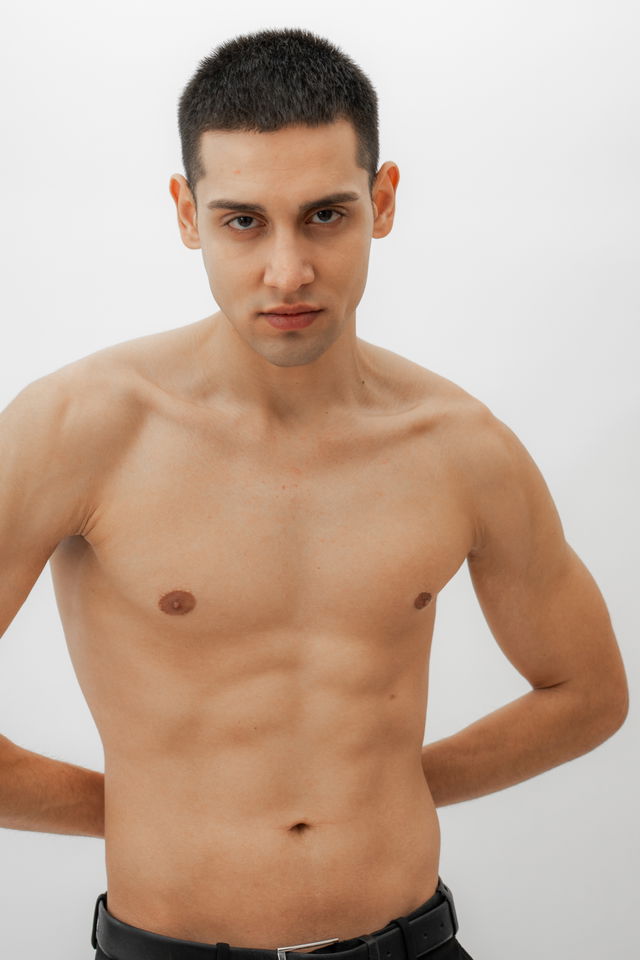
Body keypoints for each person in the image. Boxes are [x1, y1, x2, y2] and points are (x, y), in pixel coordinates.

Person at [0, 26, 628, 960]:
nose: (287, 272)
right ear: (187, 214)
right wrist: (141, 805)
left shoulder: (461, 446)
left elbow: (588, 692)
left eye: (326, 215)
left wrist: (391, 787)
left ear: (383, 202)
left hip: (413, 943)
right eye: (243, 221)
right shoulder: (76, 430)